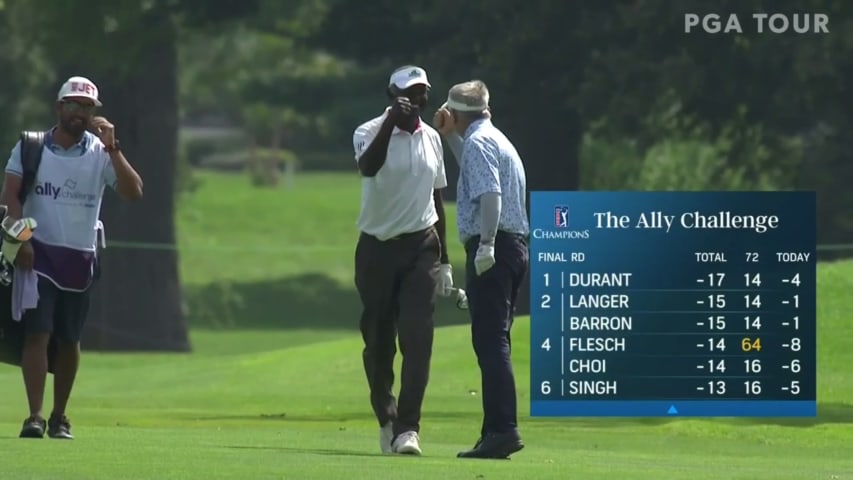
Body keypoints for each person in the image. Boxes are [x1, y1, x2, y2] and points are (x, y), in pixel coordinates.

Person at [0, 76, 144, 439]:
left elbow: (133, 192)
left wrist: (113, 148)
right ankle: (34, 416)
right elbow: (10, 198)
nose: (80, 112)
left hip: (80, 258)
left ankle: (59, 416)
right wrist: (23, 240)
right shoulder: (31, 146)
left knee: (68, 339)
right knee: (38, 332)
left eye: (87, 107)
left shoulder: (100, 152)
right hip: (38, 254)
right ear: (59, 107)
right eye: (74, 104)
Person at [351, 65, 454, 455]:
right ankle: (386, 414)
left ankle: (409, 428)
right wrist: (392, 121)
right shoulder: (367, 132)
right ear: (391, 95)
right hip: (376, 248)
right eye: (408, 93)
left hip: (420, 246)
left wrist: (444, 259)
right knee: (378, 340)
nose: (417, 100)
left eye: (423, 92)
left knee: (418, 335)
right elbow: (368, 167)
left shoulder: (431, 139)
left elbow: (437, 199)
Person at [433, 80, 529, 459]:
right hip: (515, 247)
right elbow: (477, 174)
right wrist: (449, 138)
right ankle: (494, 430)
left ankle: (503, 430)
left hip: (496, 247)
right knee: (495, 341)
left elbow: (491, 195)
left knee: (490, 343)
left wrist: (486, 244)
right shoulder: (491, 139)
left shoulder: (478, 143)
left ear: (456, 114)